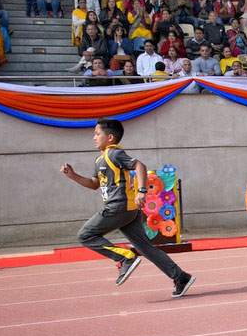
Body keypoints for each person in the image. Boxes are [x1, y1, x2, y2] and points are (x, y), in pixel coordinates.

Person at [59, 118, 195, 297]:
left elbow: (139, 165)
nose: (94, 137)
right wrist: (73, 176)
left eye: (97, 134)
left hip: (118, 206)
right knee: (146, 247)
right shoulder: (100, 159)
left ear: (110, 137)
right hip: (128, 211)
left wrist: (142, 191)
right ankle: (181, 277)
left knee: (85, 235)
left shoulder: (113, 154)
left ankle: (124, 258)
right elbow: (94, 184)